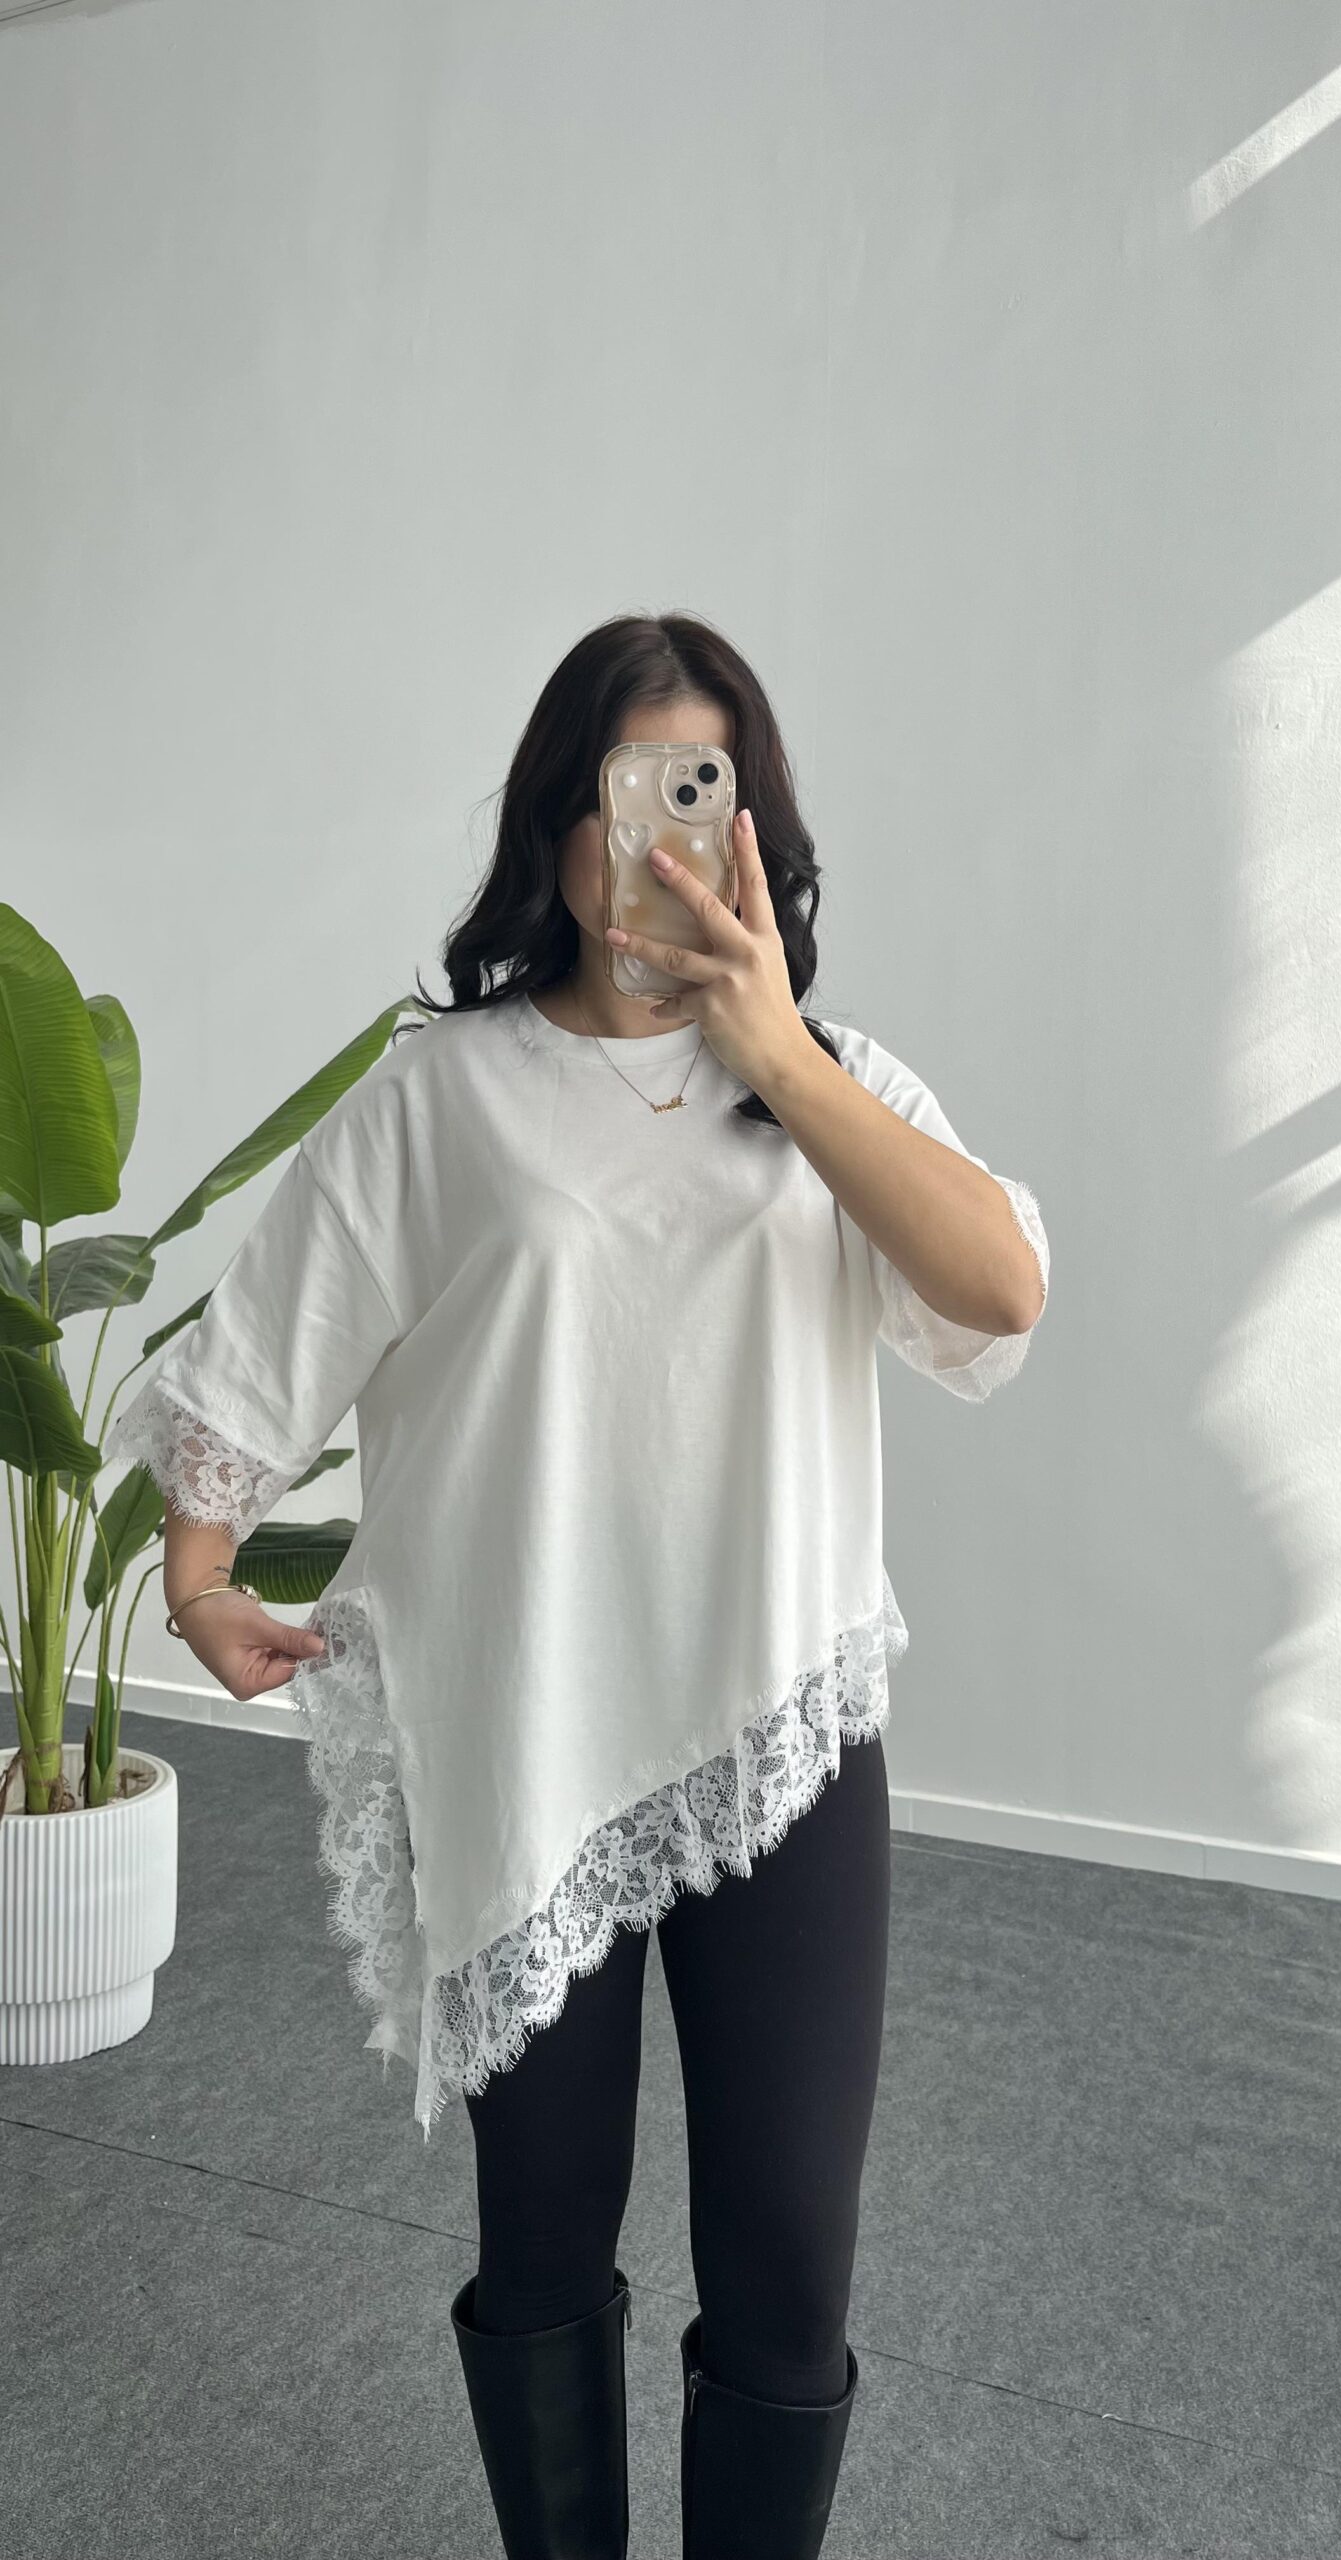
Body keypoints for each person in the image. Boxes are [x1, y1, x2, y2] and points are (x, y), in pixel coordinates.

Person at [105, 611, 1049, 2560]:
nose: (660, 847)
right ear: (558, 822)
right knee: (540, 2240)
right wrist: (198, 1577)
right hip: (524, 1735)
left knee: (788, 2262)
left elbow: (1002, 1292)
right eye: (628, 797)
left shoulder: (836, 1087)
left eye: (703, 798)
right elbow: (271, 1340)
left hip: (782, 1740)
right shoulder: (446, 1092)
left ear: (754, 831)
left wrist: (779, 1055)